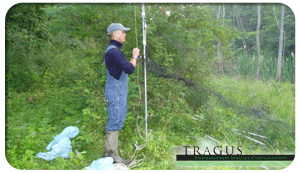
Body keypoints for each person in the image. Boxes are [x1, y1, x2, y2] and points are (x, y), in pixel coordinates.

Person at [103, 23, 140, 165]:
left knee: (117, 119)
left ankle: (110, 154)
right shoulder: (114, 52)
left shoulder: (115, 50)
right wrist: (134, 56)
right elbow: (130, 68)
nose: (125, 34)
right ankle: (111, 156)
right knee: (115, 120)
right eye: (123, 32)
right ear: (116, 33)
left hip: (118, 90)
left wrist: (132, 58)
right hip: (115, 91)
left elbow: (124, 68)